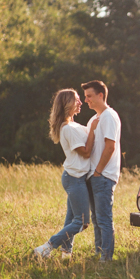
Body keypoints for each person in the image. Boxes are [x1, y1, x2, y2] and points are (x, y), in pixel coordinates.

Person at [33, 89, 98, 259]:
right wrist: (93, 131)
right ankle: (47, 247)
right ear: (67, 103)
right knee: (82, 222)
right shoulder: (67, 129)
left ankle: (66, 253)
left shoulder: (74, 125)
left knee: (71, 221)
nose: (80, 102)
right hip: (74, 179)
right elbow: (85, 152)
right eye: (77, 100)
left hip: (77, 179)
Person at [82, 80, 122, 262]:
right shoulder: (93, 119)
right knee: (96, 218)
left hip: (103, 176)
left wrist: (98, 171)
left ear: (100, 95)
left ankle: (106, 259)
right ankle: (99, 253)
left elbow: (110, 147)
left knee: (104, 219)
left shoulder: (109, 116)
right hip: (92, 176)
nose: (86, 100)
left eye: (89, 96)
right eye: (85, 97)